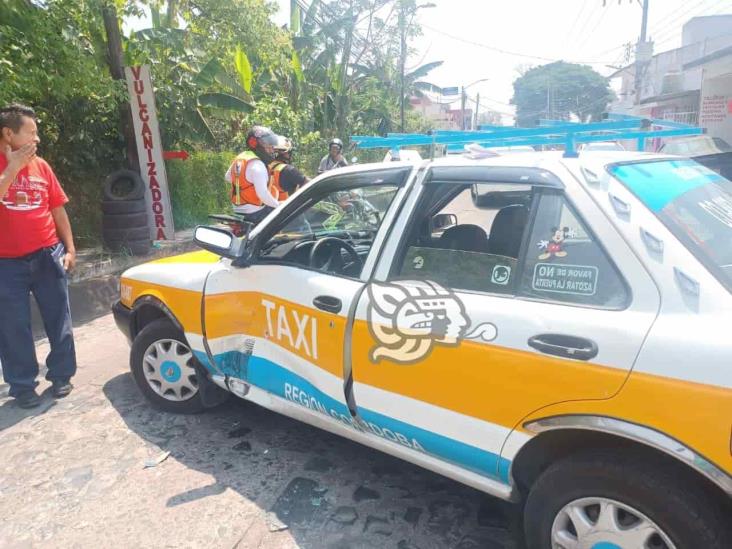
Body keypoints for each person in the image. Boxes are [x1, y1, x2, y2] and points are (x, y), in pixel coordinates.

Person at [0, 103, 77, 408]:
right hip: (6, 263)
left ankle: (61, 375)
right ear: (9, 133)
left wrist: (69, 248)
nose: (37, 139)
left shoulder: (42, 166)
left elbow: (57, 208)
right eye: (31, 132)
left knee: (59, 317)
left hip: (47, 254)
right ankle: (22, 386)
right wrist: (12, 168)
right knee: (12, 326)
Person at [225, 125, 281, 226]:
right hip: (254, 212)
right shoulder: (258, 165)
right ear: (254, 143)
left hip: (237, 209)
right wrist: (279, 206)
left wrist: (243, 186)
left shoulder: (241, 157)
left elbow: (228, 177)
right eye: (267, 144)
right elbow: (263, 195)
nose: (271, 149)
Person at [269, 135, 310, 201]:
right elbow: (309, 183)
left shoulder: (267, 166)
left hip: (270, 207)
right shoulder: (288, 170)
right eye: (289, 153)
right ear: (285, 153)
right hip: (287, 208)